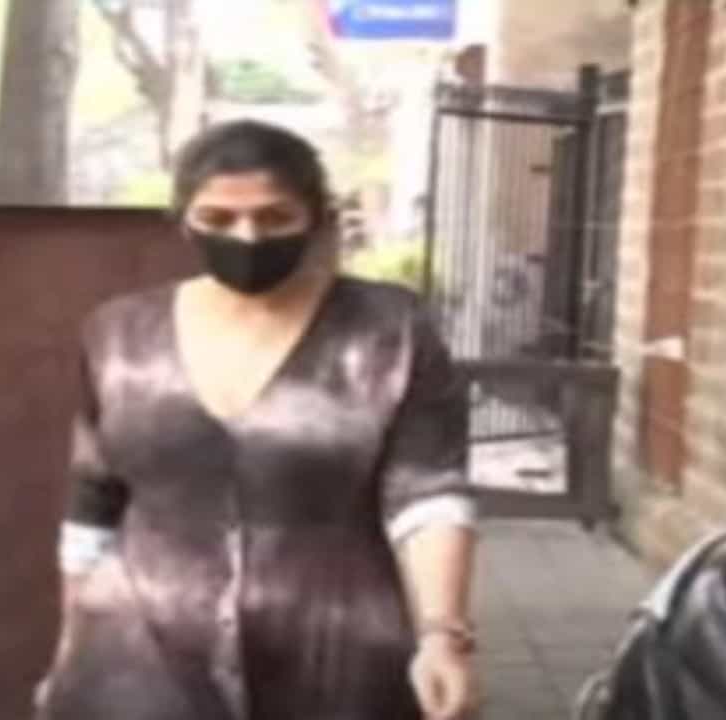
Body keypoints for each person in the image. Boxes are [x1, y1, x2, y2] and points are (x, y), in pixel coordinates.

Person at [35, 120, 479, 720]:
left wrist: (442, 635)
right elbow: (93, 503)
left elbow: (428, 495)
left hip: (336, 653)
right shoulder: (119, 334)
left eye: (274, 217)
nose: (247, 236)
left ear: (316, 217)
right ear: (183, 220)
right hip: (137, 659)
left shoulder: (389, 330)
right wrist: (70, 650)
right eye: (218, 218)